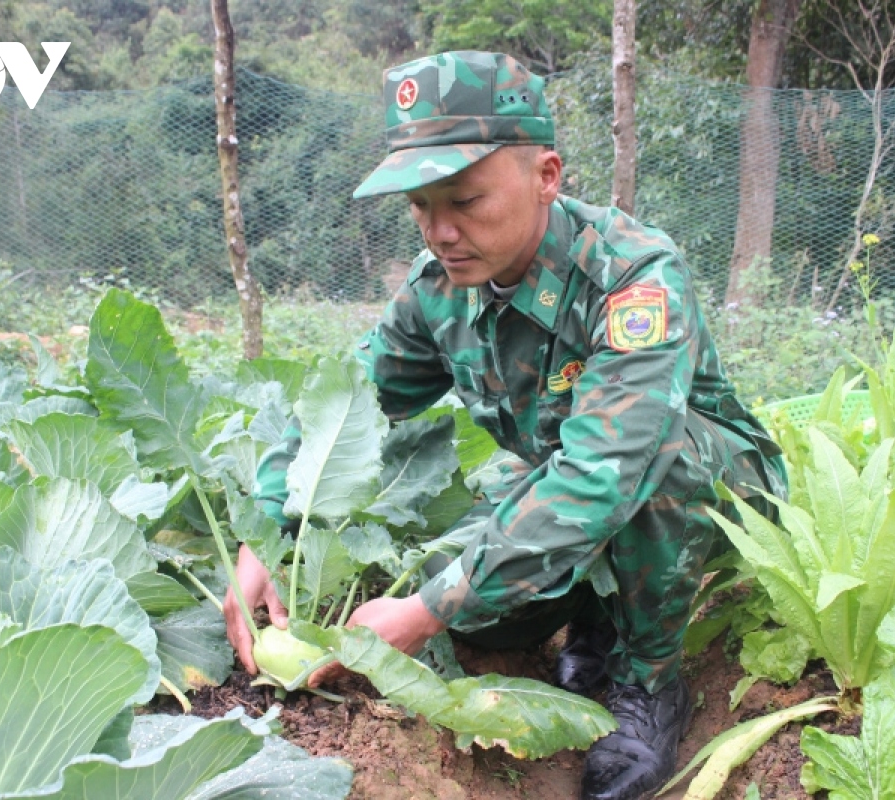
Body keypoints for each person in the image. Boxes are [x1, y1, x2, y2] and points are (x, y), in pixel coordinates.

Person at [224, 50, 787, 800]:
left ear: (546, 176)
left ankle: (648, 677)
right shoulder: (437, 294)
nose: (440, 232)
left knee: (661, 464)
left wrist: (424, 612)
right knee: (493, 626)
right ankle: (592, 612)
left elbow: (605, 473)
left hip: (709, 488)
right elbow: (344, 406)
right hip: (567, 480)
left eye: (463, 200)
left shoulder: (632, 279)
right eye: (421, 207)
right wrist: (267, 526)